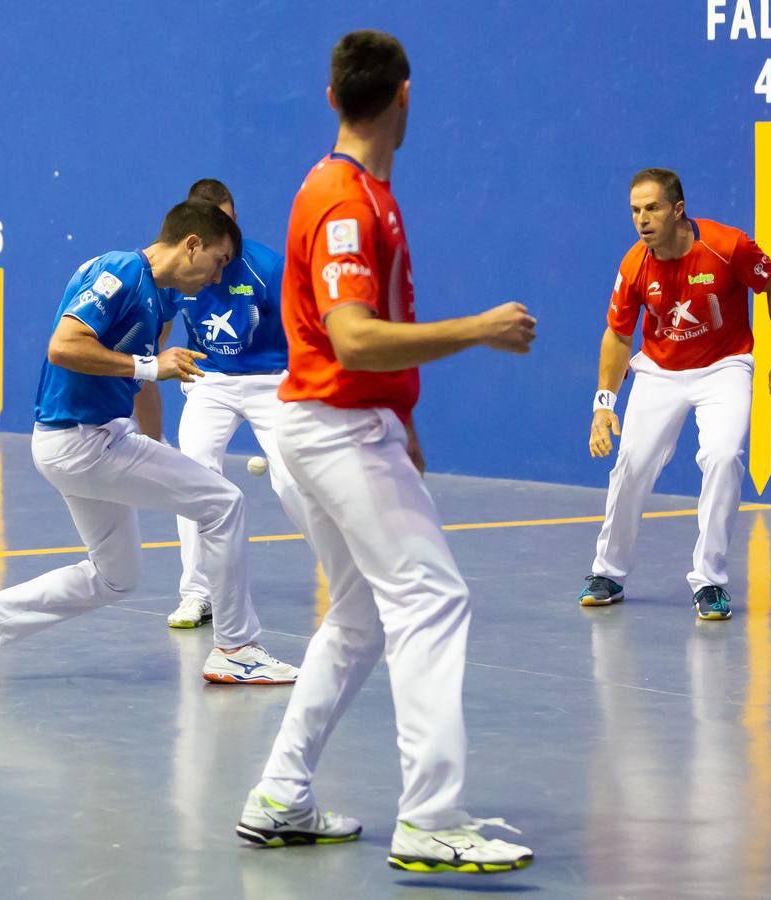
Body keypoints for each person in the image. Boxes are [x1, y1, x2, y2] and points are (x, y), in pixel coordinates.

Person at [233, 30, 537, 873]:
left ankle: (280, 797)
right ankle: (430, 818)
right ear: (404, 95)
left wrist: (402, 421)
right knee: (432, 598)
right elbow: (355, 338)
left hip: (342, 425)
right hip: (333, 428)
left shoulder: (361, 189)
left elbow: (366, 354)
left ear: (333, 97)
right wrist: (478, 330)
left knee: (360, 615)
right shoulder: (343, 203)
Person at [0, 201, 298, 685]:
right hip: (81, 442)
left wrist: (154, 442)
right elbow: (64, 345)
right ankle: (234, 647)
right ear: (192, 245)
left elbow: (147, 380)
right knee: (223, 503)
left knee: (116, 577)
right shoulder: (120, 272)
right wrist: (150, 368)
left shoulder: (162, 298)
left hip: (90, 440)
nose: (216, 278)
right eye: (218, 261)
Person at [580, 167, 771, 620]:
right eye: (635, 211)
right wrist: (604, 403)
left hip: (724, 367)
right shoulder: (635, 264)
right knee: (631, 465)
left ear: (678, 209)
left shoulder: (727, 246)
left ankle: (709, 582)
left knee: (723, 457)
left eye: (652, 208)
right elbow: (618, 335)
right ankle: (608, 572)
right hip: (660, 371)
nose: (642, 220)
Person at [135, 179, 312, 630]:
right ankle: (198, 593)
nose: (228, 238)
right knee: (193, 472)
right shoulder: (179, 267)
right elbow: (158, 333)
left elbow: (305, 329)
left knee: (293, 481)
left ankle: (351, 576)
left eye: (232, 223)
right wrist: (151, 368)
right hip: (210, 379)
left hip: (273, 379)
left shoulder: (265, 266)